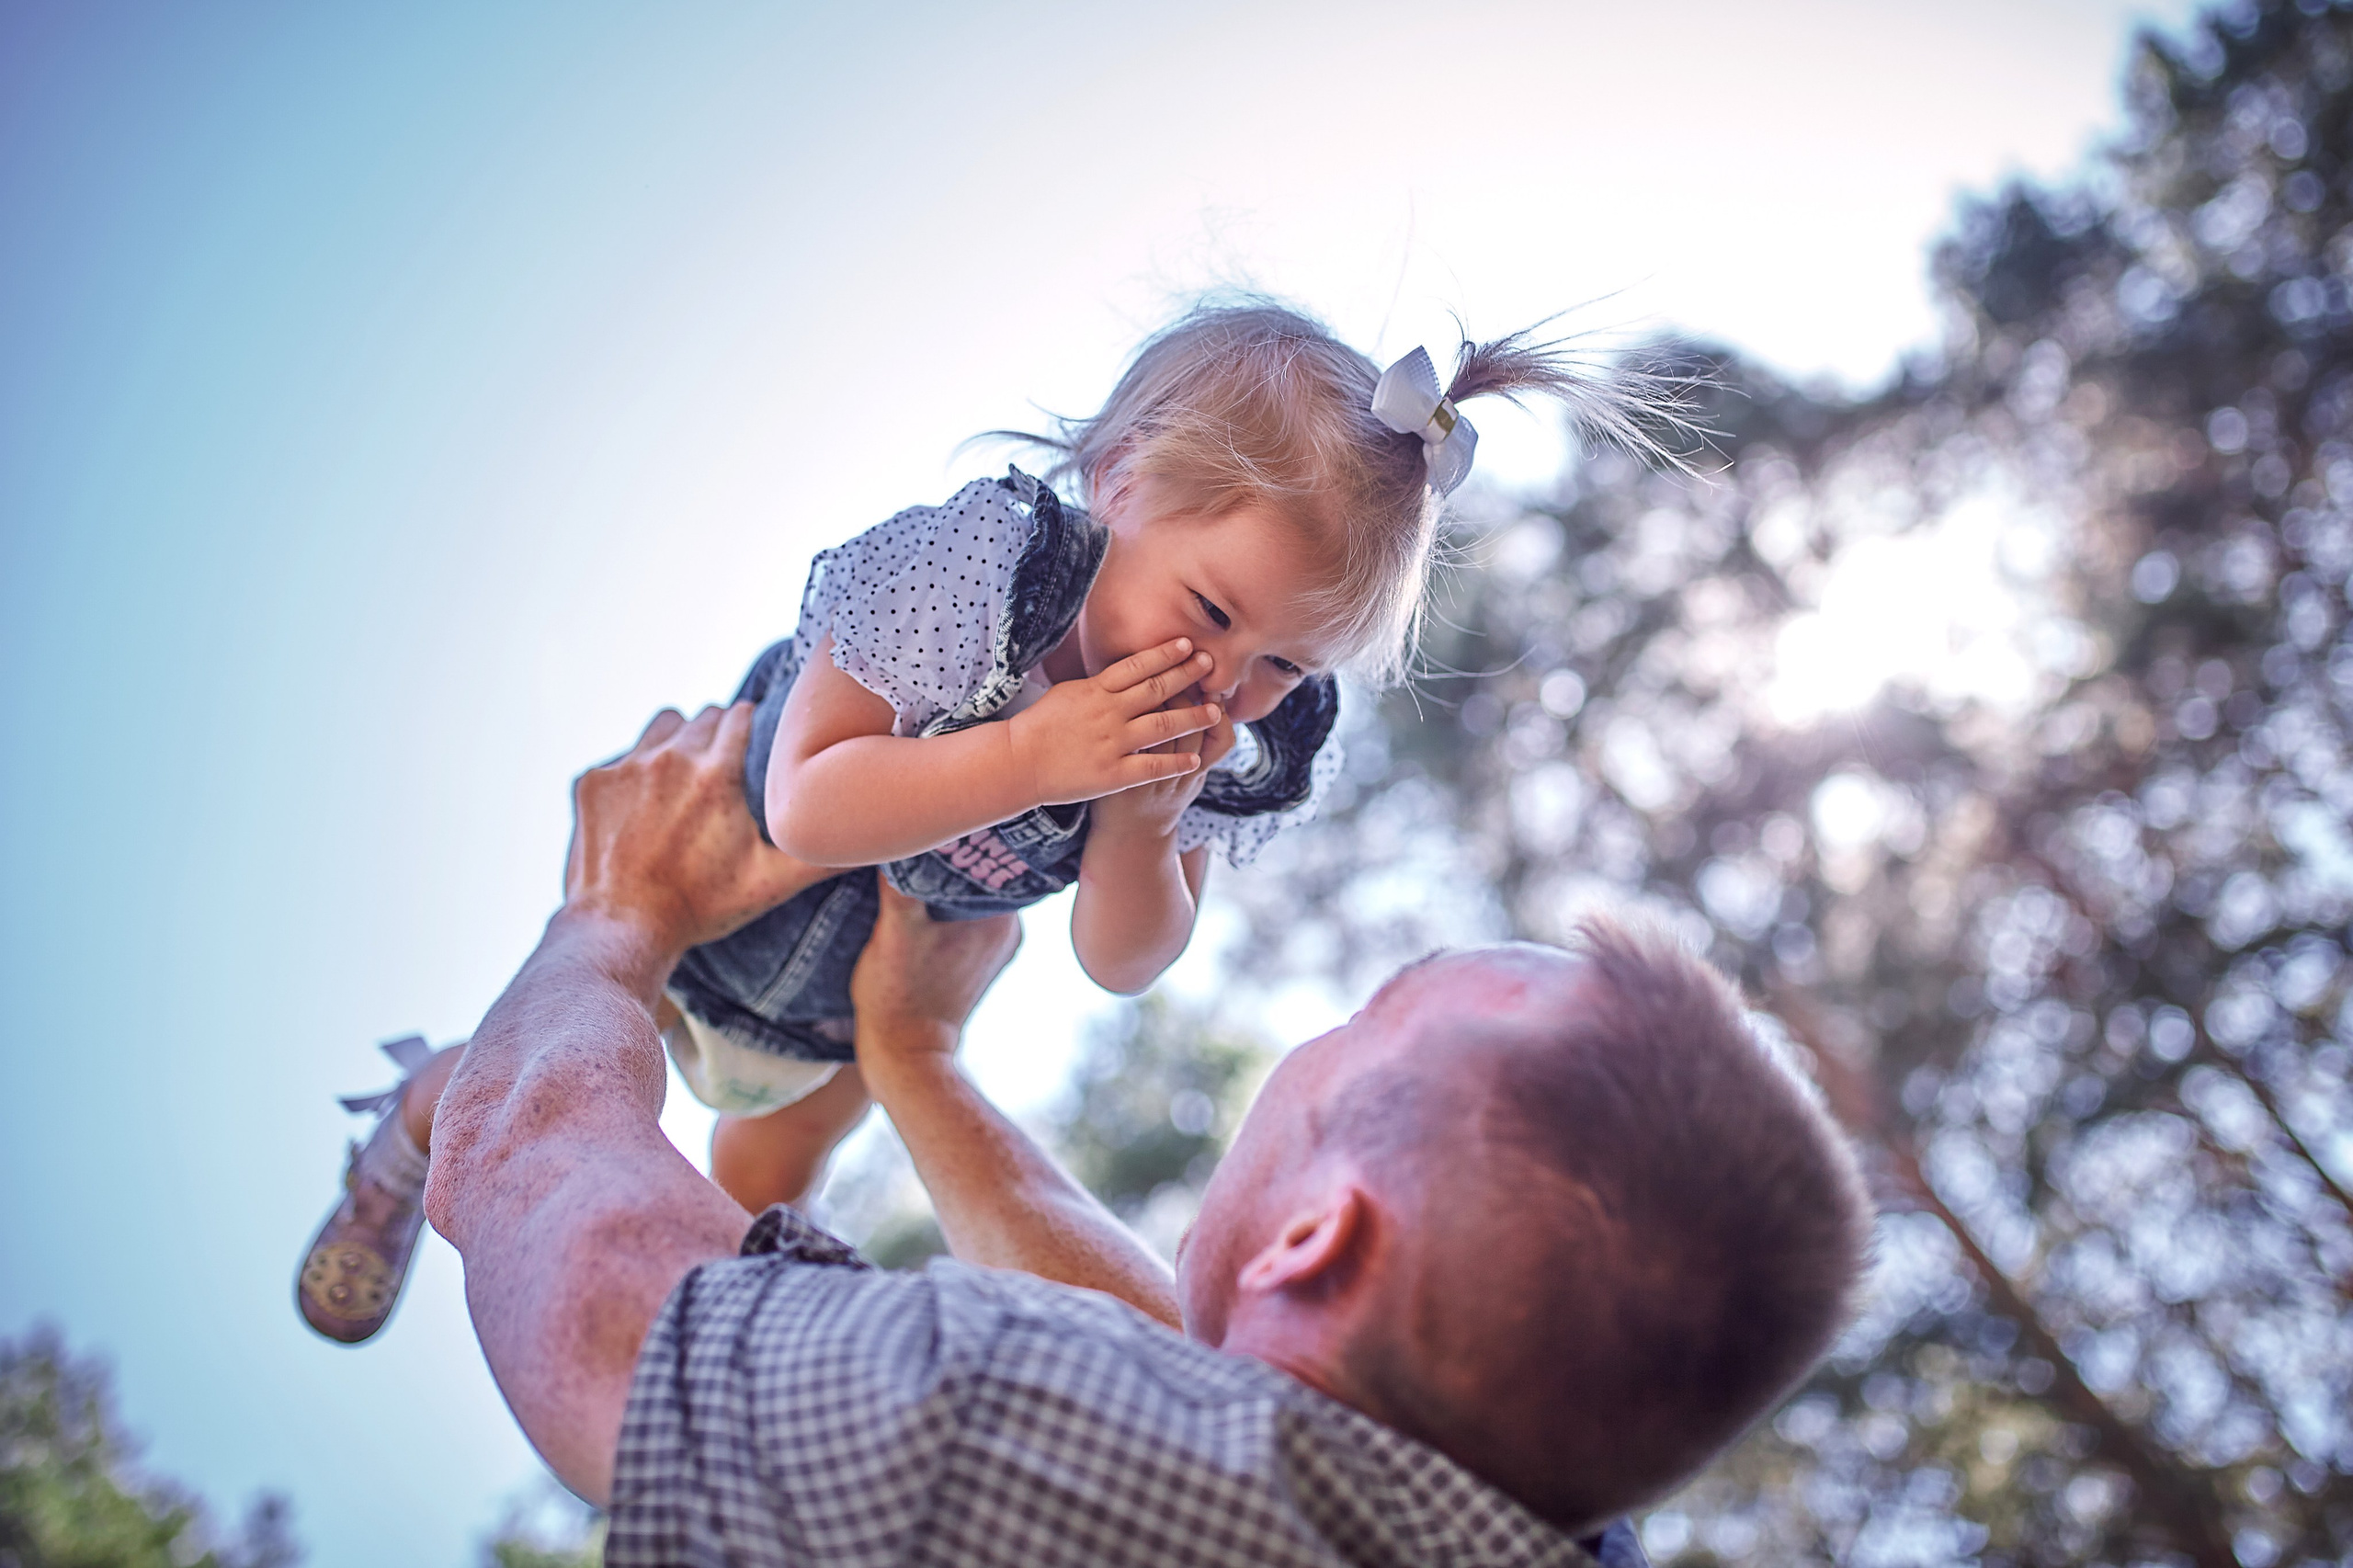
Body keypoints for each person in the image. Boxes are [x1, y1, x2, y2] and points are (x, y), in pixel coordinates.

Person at [296, 299, 1699, 1344]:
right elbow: (809, 794)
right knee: (538, 1076)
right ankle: (407, 1139)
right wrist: (1034, 753)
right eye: (1214, 612)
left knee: (764, 1191)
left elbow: (1125, 958)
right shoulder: (981, 570)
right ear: (1125, 478)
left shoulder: (1229, 742)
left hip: (854, 1009)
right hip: (723, 897)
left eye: (1285, 663)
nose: (1229, 680)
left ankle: (722, 1344)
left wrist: (1141, 832)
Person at [416, 701, 1871, 1565]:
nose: (1307, 1050)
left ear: (1320, 1231)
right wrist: (914, 1057)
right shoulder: (1516, 1519)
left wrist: (616, 915)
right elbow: (1195, 1392)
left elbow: (572, 1237)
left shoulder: (981, 1440)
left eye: (1366, 1019)